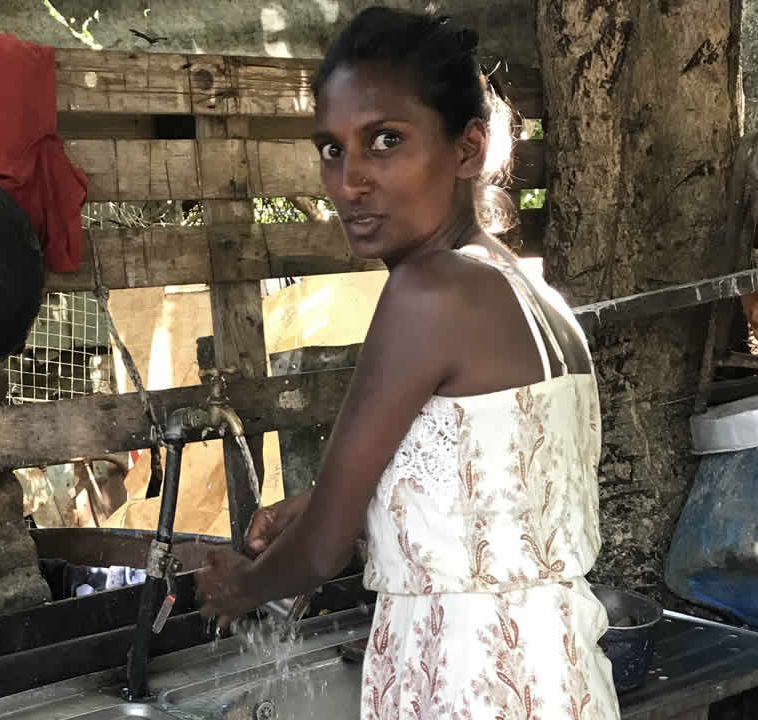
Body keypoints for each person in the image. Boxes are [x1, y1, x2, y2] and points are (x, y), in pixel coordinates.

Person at [194, 7, 620, 719]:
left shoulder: (428, 293)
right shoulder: (533, 297)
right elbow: (488, 504)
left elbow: (321, 552)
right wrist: (347, 505)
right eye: (332, 150)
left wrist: (240, 588)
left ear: (469, 148)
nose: (349, 181)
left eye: (385, 140)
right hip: (553, 678)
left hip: (470, 682)